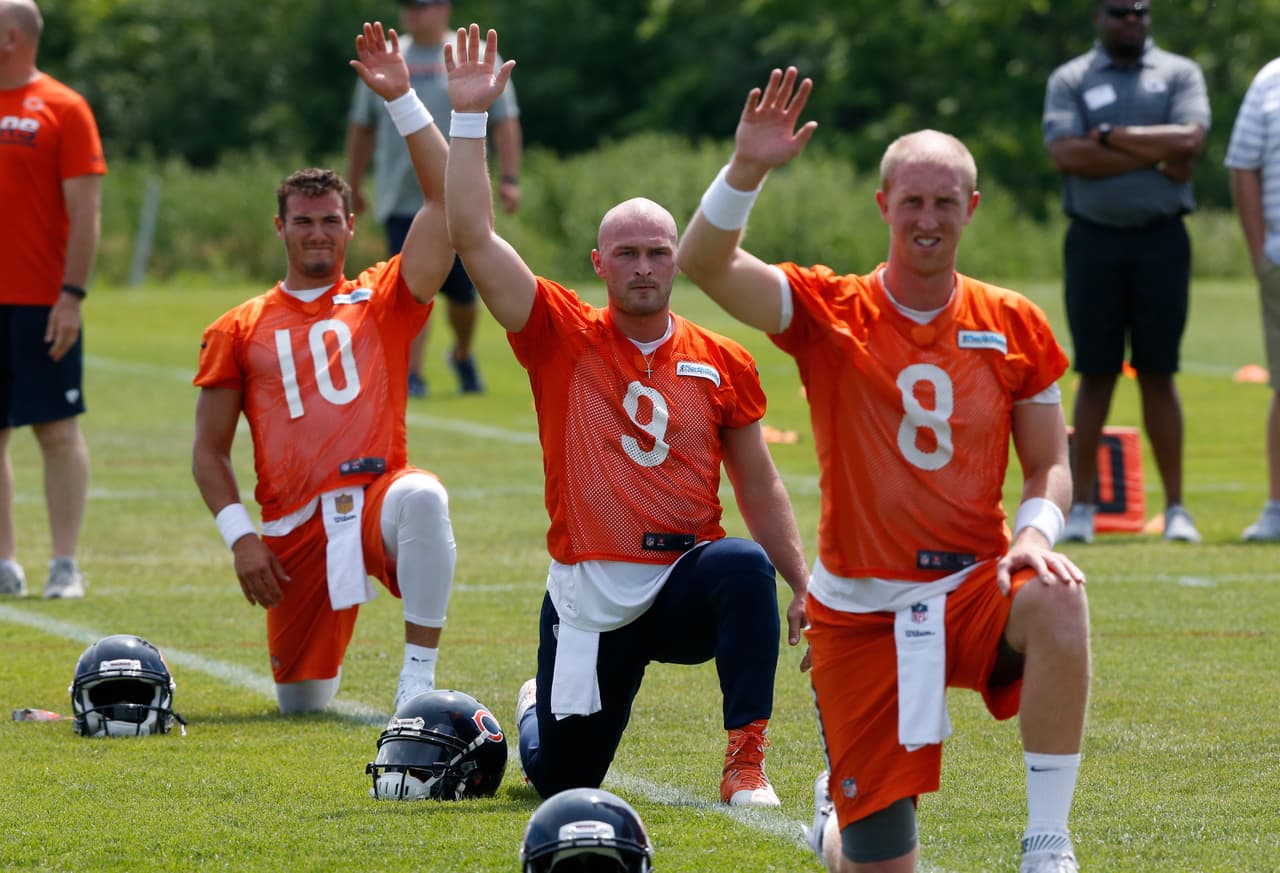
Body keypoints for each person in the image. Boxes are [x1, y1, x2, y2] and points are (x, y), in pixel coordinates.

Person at [677, 69, 1091, 872]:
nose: (928, 219)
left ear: (971, 208)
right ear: (883, 206)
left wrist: (1035, 535)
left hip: (973, 588)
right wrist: (747, 168)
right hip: (862, 615)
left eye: (945, 203)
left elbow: (1049, 464)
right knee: (876, 862)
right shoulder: (833, 311)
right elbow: (705, 261)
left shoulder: (1014, 324)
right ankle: (841, 820)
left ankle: (1047, 841)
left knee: (1059, 596)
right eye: (913, 202)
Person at [443, 24, 810, 808]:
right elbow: (472, 235)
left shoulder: (723, 358)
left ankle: (747, 761)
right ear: (599, 263)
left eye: (658, 252)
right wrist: (470, 119)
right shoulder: (562, 335)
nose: (644, 267)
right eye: (629, 253)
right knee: (561, 780)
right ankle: (537, 707)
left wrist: (804, 581)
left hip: (684, 580)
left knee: (744, 565)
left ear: (677, 258)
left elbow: (760, 482)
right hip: (590, 592)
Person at [192, 22, 459, 714]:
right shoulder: (238, 325)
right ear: (280, 227)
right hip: (293, 532)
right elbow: (208, 453)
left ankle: (418, 679)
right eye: (304, 220)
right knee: (303, 704)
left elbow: (445, 206)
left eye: (330, 220)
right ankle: (318, 666)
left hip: (375, 502)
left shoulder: (381, 298)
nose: (318, 232)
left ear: (351, 222)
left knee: (425, 496)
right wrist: (241, 537)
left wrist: (402, 98)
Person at [1043, 0, 1210, 544]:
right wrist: (1153, 155)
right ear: (1098, 17)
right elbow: (1067, 154)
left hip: (1162, 239)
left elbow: (1191, 141)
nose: (1132, 20)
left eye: (1141, 11)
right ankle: (1083, 506)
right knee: (1095, 371)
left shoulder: (1179, 72)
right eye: (1120, 12)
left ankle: (1178, 508)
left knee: (1160, 372)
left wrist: (1109, 136)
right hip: (1093, 239)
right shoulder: (1070, 78)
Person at [346, 0, 522, 398]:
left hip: (461, 200)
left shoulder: (471, 53)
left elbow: (507, 123)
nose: (413, 12)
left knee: (462, 294)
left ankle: (461, 354)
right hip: (400, 196)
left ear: (444, 7)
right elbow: (362, 128)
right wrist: (352, 184)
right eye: (407, 5)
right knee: (412, 287)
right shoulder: (389, 56)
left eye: (422, 5)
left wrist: (510, 178)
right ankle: (413, 373)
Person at [0, 0, 104, 600]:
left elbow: (86, 208)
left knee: (56, 431)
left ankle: (64, 564)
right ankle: (4, 563)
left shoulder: (64, 107)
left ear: (12, 36)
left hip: (43, 301)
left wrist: (71, 294)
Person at [1225, 59, 1280, 542]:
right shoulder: (1270, 78)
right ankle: (1277, 507)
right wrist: (1261, 251)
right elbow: (1242, 165)